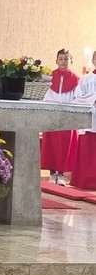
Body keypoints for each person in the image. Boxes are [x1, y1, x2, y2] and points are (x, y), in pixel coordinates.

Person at [41, 49, 80, 185]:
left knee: (65, 146)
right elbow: (45, 95)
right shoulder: (49, 77)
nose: (63, 62)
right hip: (52, 114)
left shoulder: (76, 80)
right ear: (56, 61)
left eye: (66, 59)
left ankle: (62, 175)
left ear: (71, 61)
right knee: (51, 144)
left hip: (67, 116)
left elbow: (77, 98)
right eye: (61, 59)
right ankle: (52, 174)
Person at [70, 50, 96, 189]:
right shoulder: (86, 79)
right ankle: (86, 181)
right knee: (88, 152)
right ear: (93, 60)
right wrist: (93, 99)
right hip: (90, 119)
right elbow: (79, 97)